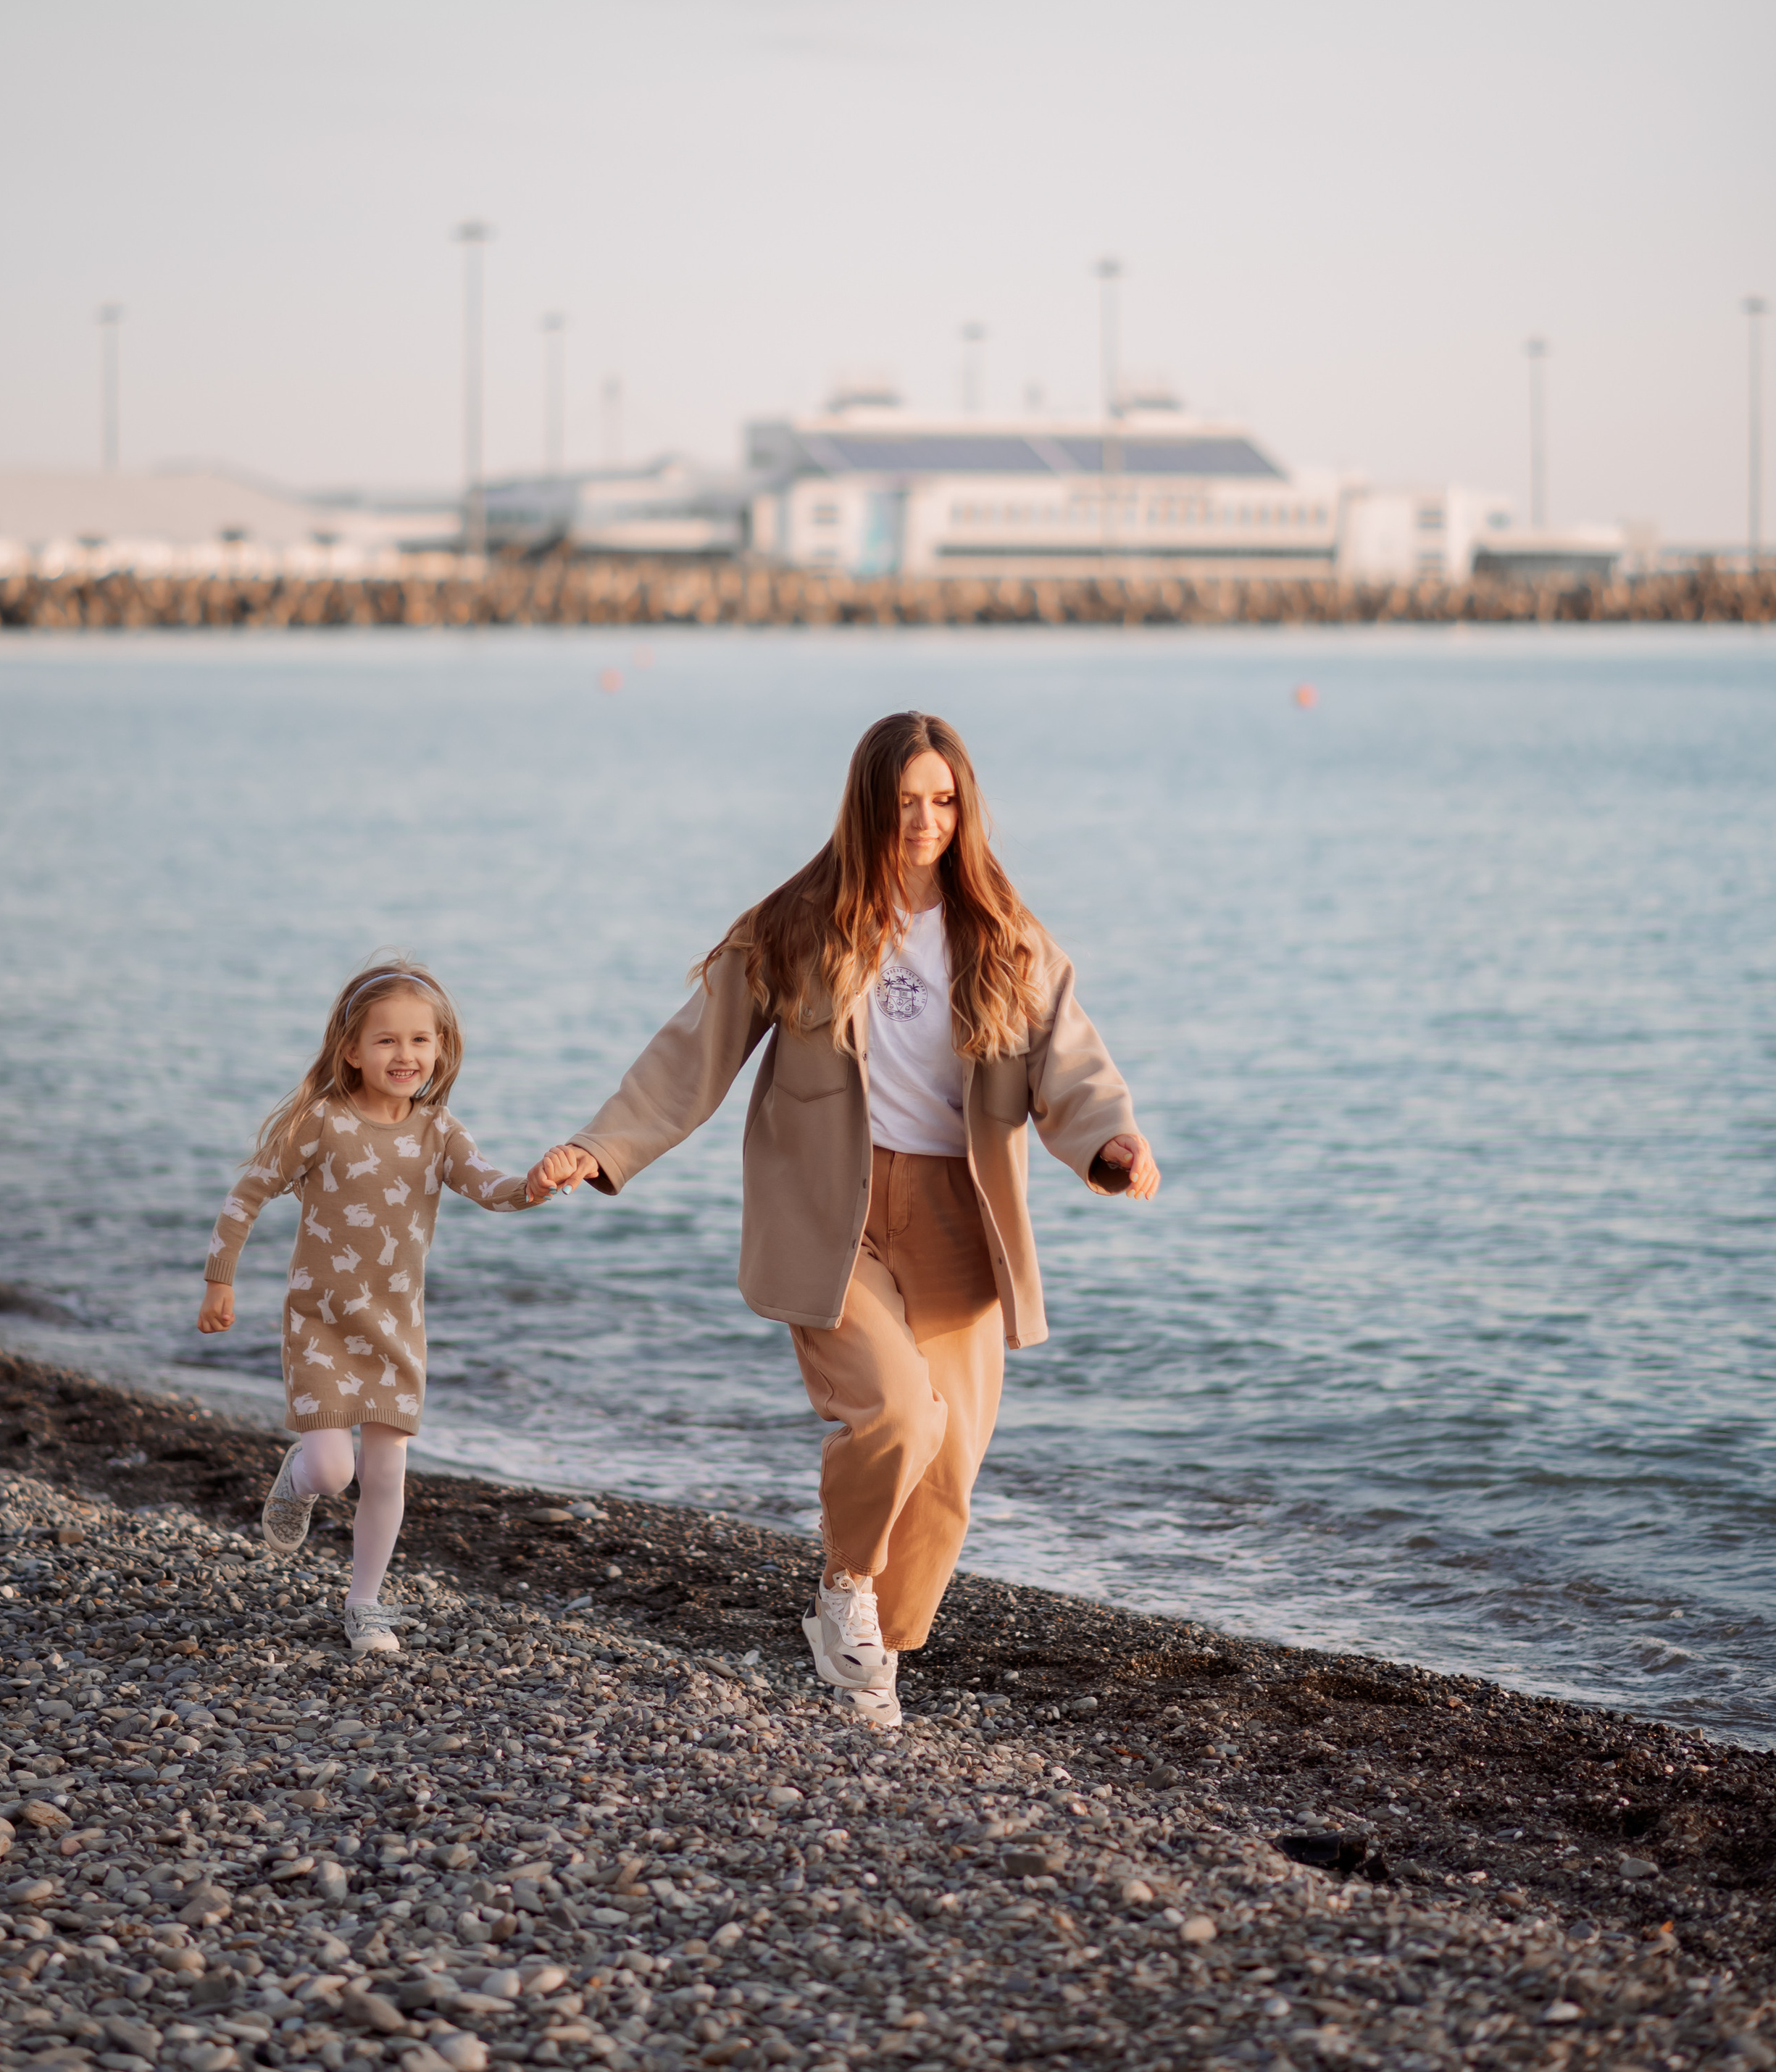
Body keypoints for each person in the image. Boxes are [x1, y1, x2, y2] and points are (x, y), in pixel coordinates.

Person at [529, 710, 1158, 1729]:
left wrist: (1111, 1142)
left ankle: (876, 1649)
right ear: (869, 804)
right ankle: (845, 1591)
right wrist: (602, 1146)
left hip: (959, 1213)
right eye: (904, 801)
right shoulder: (796, 924)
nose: (924, 820)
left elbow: (1068, 1063)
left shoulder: (1007, 933)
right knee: (898, 1413)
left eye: (942, 800)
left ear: (965, 807)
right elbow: (694, 1052)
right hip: (835, 1210)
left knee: (949, 1465)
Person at [198, 958, 555, 1655]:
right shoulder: (320, 1123)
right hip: (321, 1323)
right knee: (335, 1471)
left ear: (441, 1051)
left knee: (386, 1472)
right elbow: (248, 1192)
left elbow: (492, 1187)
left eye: (421, 1040)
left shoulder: (441, 1132)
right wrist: (221, 1278)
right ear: (352, 1051)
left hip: (397, 1328)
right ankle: (297, 1477)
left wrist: (536, 1183)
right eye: (387, 1040)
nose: (406, 1054)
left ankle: (365, 1604)